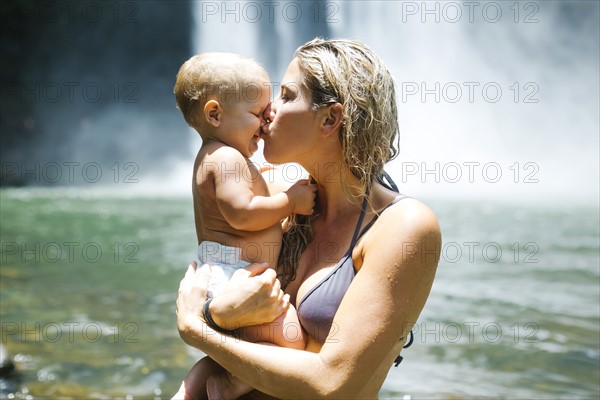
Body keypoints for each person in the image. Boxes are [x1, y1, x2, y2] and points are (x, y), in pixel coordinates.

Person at [175, 38, 442, 399]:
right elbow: (237, 340)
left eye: (285, 96)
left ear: (330, 118)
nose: (267, 111)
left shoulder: (402, 226)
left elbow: (330, 382)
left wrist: (199, 327)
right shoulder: (280, 203)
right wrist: (216, 315)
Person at [173, 52, 317, 399]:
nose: (268, 119)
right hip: (234, 277)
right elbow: (242, 213)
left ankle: (195, 390)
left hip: (229, 275)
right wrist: (290, 202)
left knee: (228, 351)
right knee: (293, 340)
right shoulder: (225, 158)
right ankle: (231, 384)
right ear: (215, 114)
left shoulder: (220, 156)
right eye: (258, 113)